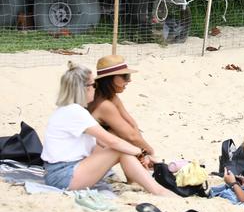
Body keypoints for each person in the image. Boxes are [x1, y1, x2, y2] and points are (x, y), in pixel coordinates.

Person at [41, 61, 176, 196]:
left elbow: (115, 135)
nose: (95, 88)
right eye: (94, 85)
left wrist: (141, 154)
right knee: (118, 149)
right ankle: (158, 190)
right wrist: (141, 153)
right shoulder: (75, 111)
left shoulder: (70, 109)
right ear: (83, 88)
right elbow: (114, 142)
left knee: (120, 146)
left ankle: (142, 181)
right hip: (62, 176)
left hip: (62, 171)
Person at [87, 55, 155, 162]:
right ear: (110, 79)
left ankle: (135, 176)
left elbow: (132, 124)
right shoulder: (104, 104)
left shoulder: (108, 95)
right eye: (125, 76)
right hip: (84, 159)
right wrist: (150, 152)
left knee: (126, 135)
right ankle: (135, 176)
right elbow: (130, 136)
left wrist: (144, 149)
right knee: (122, 138)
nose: (130, 80)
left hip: (92, 150)